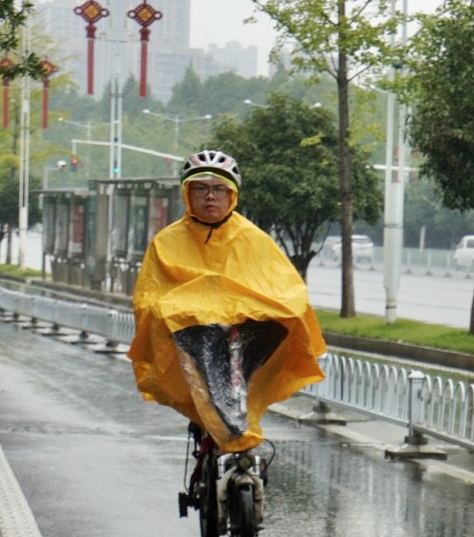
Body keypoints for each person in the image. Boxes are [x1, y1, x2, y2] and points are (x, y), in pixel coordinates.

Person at [128, 149, 326, 454]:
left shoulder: (253, 238)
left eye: (219, 188)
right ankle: (210, 428)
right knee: (200, 382)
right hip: (193, 333)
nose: (211, 197)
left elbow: (284, 285)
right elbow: (149, 295)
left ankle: (237, 429)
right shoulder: (167, 241)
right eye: (201, 188)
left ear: (232, 194)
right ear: (187, 193)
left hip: (246, 333)